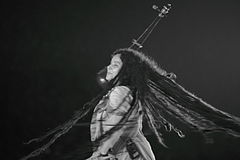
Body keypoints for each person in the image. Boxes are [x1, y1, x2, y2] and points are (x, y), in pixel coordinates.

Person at [21, 48, 240, 160]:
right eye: (109, 63)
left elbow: (123, 129)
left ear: (126, 70)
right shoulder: (118, 93)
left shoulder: (122, 92)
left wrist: (101, 154)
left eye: (114, 64)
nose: (108, 67)